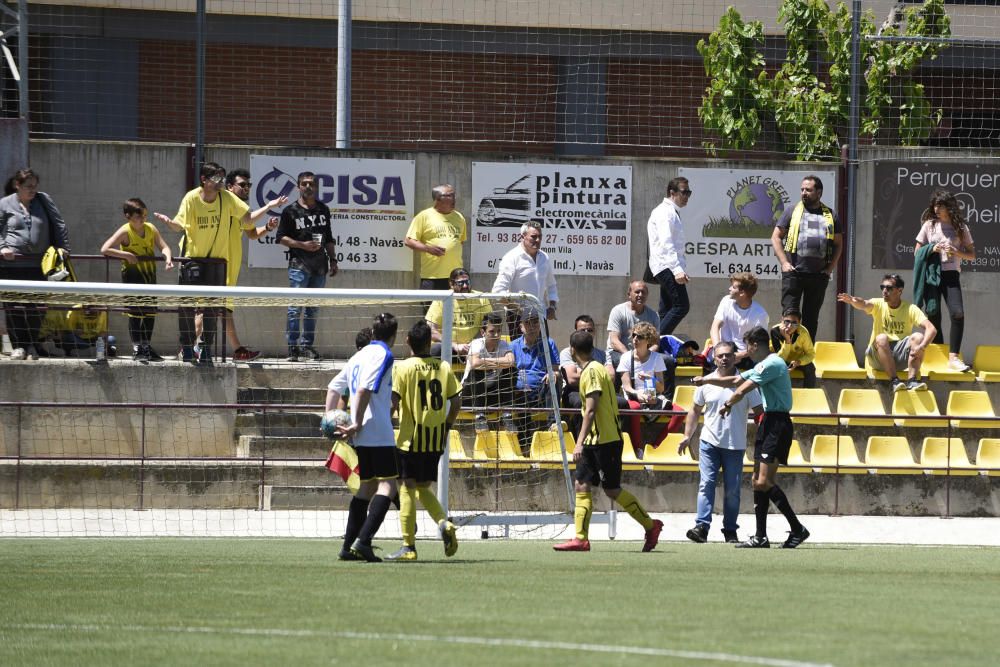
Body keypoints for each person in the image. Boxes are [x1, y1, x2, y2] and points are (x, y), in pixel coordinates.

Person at [694, 326, 809, 549]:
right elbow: (734, 381)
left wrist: (727, 404)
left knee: (764, 481)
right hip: (768, 423)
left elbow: (740, 389)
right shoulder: (762, 365)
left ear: (755, 345)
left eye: (747, 346)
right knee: (758, 481)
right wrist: (707, 381)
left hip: (777, 423)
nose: (745, 351)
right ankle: (760, 536)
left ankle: (797, 528)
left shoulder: (772, 363)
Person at [553, 329, 663, 552]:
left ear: (572, 350)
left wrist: (579, 441)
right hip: (594, 441)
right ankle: (581, 538)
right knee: (581, 484)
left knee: (612, 490)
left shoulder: (592, 371)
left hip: (606, 441)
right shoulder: (591, 369)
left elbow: (591, 410)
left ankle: (651, 526)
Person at [154, 162, 252, 364]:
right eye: (216, 178)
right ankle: (187, 347)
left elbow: (247, 218)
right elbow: (179, 224)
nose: (220, 183)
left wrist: (263, 212)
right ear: (204, 180)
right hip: (193, 260)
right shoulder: (191, 198)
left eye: (222, 178)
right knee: (187, 307)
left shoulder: (227, 198)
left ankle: (206, 348)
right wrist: (169, 223)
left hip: (217, 262)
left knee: (212, 309)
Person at [385, 320, 462, 562]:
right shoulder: (444, 367)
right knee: (423, 487)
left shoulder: (403, 368)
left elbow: (392, 403)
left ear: (408, 342)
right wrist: (447, 426)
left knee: (406, 488)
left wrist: (383, 426)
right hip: (435, 439)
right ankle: (443, 523)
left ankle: (408, 546)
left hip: (410, 439)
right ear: (430, 342)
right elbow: (457, 403)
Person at [326, 313, 400, 562]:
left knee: (367, 486)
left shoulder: (359, 355)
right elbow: (364, 389)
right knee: (388, 485)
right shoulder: (383, 355)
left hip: (362, 434)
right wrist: (356, 422)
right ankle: (364, 541)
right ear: (394, 335)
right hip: (376, 429)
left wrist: (330, 418)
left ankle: (348, 547)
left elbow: (334, 386)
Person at [678, 341, 762, 544]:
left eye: (728, 355)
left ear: (735, 357)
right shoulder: (706, 381)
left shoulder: (745, 382)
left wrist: (762, 439)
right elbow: (695, 410)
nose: (724, 358)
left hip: (735, 444)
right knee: (706, 484)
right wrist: (687, 436)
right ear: (714, 358)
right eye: (720, 355)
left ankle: (730, 530)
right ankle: (701, 527)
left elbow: (759, 412)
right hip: (709, 443)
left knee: (732, 490)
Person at [0, 168, 70, 361]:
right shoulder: (4, 204)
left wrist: (63, 248)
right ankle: (18, 347)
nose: (32, 190)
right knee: (13, 307)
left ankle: (31, 345)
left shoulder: (43, 200)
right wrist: (2, 247)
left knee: (35, 307)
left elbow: (59, 224)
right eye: (28, 186)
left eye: (34, 186)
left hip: (38, 265)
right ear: (17, 185)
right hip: (11, 265)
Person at [219, 169, 285, 361]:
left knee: (223, 309)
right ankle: (190, 346)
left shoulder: (238, 207)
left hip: (230, 268)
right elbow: (248, 220)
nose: (246, 188)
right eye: (242, 185)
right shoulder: (227, 203)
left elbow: (252, 233)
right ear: (230, 187)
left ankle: (237, 350)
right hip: (216, 265)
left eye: (249, 185)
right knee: (206, 307)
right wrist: (269, 205)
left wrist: (267, 227)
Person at [100, 197, 174, 361]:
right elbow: (105, 249)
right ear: (128, 216)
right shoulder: (125, 232)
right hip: (132, 278)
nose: (143, 219)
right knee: (134, 313)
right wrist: (125, 254)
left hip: (149, 278)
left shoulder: (151, 229)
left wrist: (167, 258)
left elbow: (164, 247)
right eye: (139, 216)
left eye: (145, 215)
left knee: (150, 313)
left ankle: (146, 347)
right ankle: (137, 348)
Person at [771, 175, 842, 342]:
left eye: (808, 190)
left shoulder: (831, 215)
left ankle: (805, 357)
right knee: (790, 316)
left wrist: (830, 269)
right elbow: (775, 237)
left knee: (811, 319)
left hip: (818, 275)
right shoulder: (791, 211)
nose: (804, 193)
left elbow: (839, 244)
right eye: (802, 189)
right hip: (794, 273)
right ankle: (786, 352)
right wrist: (784, 263)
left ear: (819, 192)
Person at [276, 171, 338, 362]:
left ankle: (307, 346)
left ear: (316, 186)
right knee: (295, 308)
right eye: (304, 184)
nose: (308, 187)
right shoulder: (290, 211)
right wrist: (301, 245)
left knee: (312, 308)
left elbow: (328, 237)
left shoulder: (323, 209)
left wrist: (333, 260)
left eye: (311, 184)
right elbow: (281, 238)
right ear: (298, 187)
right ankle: (293, 348)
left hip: (320, 266)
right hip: (299, 265)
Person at [837, 274, 937, 392]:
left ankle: (912, 381)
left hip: (899, 357)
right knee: (882, 338)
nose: (884, 291)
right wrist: (853, 300)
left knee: (919, 337)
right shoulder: (878, 304)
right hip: (878, 358)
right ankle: (894, 381)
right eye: (882, 287)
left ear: (900, 291)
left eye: (889, 288)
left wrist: (922, 347)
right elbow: (864, 304)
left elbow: (931, 329)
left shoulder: (910, 308)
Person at [914, 189, 976, 372]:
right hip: (932, 275)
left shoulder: (961, 227)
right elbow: (917, 252)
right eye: (935, 205)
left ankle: (953, 358)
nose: (937, 209)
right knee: (933, 315)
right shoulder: (929, 225)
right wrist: (933, 248)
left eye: (940, 206)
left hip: (950, 275)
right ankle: (937, 354)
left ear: (949, 207)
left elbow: (972, 255)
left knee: (958, 313)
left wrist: (956, 252)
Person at [491, 221, 558, 334]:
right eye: (533, 237)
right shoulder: (511, 258)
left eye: (540, 237)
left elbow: (551, 285)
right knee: (519, 351)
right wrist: (517, 308)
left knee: (543, 351)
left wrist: (552, 307)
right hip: (517, 318)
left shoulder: (544, 257)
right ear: (522, 237)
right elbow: (498, 292)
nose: (537, 240)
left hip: (539, 316)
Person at [509, 308, 561, 449]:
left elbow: (556, 369)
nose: (532, 327)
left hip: (541, 391)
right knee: (517, 389)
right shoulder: (513, 346)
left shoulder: (549, 343)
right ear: (521, 327)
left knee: (555, 378)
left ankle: (553, 423)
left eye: (535, 323)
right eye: (528, 323)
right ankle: (524, 440)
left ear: (541, 325)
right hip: (520, 392)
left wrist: (552, 374)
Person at [617, 321, 671, 455]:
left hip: (651, 395)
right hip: (633, 396)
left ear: (648, 340)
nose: (635, 339)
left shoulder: (656, 358)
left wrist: (650, 379)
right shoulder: (626, 357)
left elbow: (661, 388)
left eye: (639, 336)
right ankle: (638, 448)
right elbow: (627, 387)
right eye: (634, 335)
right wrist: (637, 394)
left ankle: (656, 446)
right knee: (634, 408)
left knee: (679, 412)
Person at [647, 176, 692, 336]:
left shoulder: (671, 212)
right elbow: (666, 243)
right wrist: (677, 269)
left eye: (689, 193)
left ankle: (658, 348)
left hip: (666, 266)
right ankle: (652, 342)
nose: (686, 196)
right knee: (681, 306)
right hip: (667, 266)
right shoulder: (665, 212)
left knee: (666, 310)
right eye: (683, 192)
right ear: (672, 192)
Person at [404, 184, 466, 290]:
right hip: (432, 277)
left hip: (455, 277)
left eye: (454, 195)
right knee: (429, 306)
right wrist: (428, 249)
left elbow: (460, 242)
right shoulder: (424, 216)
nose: (454, 198)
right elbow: (409, 241)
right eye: (450, 195)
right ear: (438, 198)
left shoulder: (459, 217)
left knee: (454, 307)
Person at [425, 267, 492, 361]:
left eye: (467, 282)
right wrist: (454, 345)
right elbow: (431, 331)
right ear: (451, 284)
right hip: (448, 346)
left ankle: (479, 375)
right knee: (435, 350)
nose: (465, 286)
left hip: (473, 346)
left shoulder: (481, 298)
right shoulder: (441, 299)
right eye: (460, 283)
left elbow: (490, 325)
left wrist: (474, 344)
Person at [462, 312, 516, 420]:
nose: (496, 335)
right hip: (470, 397)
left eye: (499, 331)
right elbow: (475, 363)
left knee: (511, 371)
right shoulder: (477, 344)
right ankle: (479, 416)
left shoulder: (503, 344)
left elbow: (510, 361)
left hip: (491, 396)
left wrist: (484, 361)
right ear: (483, 332)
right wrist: (500, 362)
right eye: (492, 331)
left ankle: (507, 415)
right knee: (477, 371)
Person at [709, 272, 768, 370]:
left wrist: (738, 356)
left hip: (746, 356)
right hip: (724, 350)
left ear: (742, 293)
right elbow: (715, 327)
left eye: (733, 287)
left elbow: (759, 346)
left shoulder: (760, 314)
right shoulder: (726, 301)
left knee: (760, 367)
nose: (729, 289)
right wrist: (718, 351)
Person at [605, 280, 660, 377]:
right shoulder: (618, 311)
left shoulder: (653, 315)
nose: (640, 295)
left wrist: (647, 355)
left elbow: (655, 343)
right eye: (637, 292)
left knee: (667, 361)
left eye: (643, 292)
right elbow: (614, 341)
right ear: (629, 294)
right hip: (618, 352)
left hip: (644, 353)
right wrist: (629, 356)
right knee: (621, 361)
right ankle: (621, 391)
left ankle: (665, 392)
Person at [769, 307, 816, 388]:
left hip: (797, 361)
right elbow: (779, 358)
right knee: (775, 367)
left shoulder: (803, 332)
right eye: (787, 321)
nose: (790, 326)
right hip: (781, 359)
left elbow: (811, 354)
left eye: (794, 323)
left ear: (799, 323)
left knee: (810, 368)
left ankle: (808, 394)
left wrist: (799, 362)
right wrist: (787, 341)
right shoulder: (775, 331)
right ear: (782, 320)